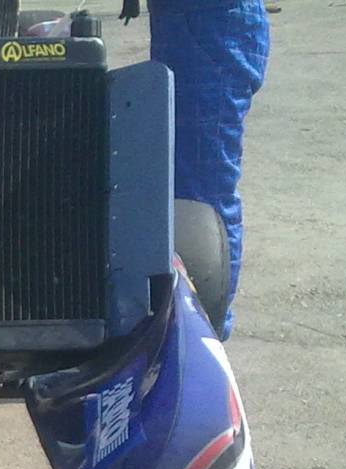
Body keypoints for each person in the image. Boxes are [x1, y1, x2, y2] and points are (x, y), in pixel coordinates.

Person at [142, 0, 270, 338]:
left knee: (202, 198)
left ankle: (207, 331)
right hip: (190, 22)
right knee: (175, 189)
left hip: (208, 27)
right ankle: (189, 321)